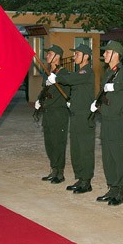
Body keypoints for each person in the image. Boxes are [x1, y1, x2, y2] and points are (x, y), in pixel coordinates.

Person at [91, 40, 123, 206]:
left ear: (115, 54)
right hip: (106, 118)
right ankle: (111, 187)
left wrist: (116, 85)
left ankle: (119, 191)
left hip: (118, 120)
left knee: (118, 156)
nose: (104, 54)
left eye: (106, 52)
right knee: (108, 156)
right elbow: (103, 90)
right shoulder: (108, 72)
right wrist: (96, 103)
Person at [47, 44, 95, 193]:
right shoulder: (79, 71)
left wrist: (58, 77)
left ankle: (86, 181)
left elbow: (72, 79)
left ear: (86, 56)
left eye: (78, 54)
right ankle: (80, 178)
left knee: (84, 149)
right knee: (76, 149)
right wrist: (71, 101)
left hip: (84, 115)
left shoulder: (87, 71)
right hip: (75, 113)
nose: (75, 57)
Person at [37, 45, 70, 184]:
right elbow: (44, 89)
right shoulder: (46, 72)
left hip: (58, 112)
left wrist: (57, 79)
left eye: (50, 54)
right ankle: (53, 169)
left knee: (58, 142)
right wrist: (39, 100)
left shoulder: (64, 73)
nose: (47, 56)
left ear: (57, 56)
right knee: (49, 142)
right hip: (48, 111)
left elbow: (68, 90)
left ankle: (60, 172)